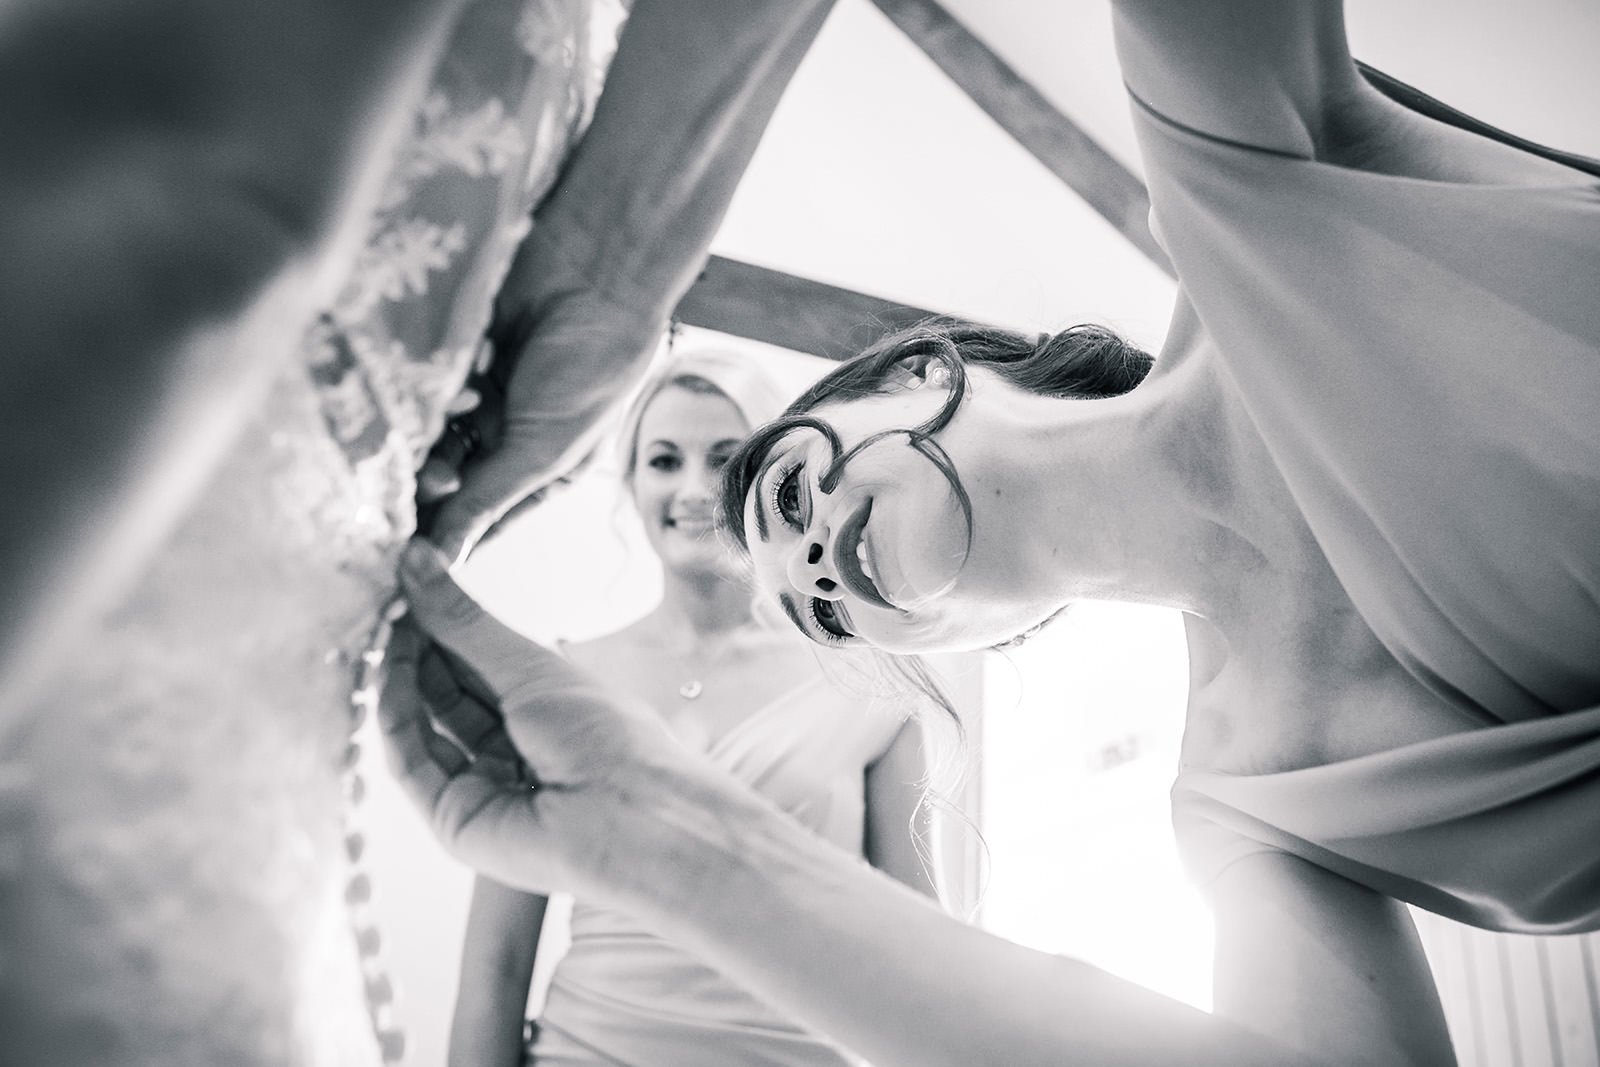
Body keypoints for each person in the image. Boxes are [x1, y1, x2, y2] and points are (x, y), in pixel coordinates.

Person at [376, 2, 1598, 1064]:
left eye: (794, 493)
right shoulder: (1250, 811)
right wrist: (683, 853)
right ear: (978, 640)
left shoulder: (1245, 169)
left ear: (917, 368)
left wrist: (611, 265)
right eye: (822, 610)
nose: (814, 568)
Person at [446, 350, 942, 1066]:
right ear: (631, 481)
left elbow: (926, 956)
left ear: (776, 480)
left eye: (724, 457)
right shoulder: (559, 679)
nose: (693, 488)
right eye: (664, 459)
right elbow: (497, 958)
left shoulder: (872, 688)